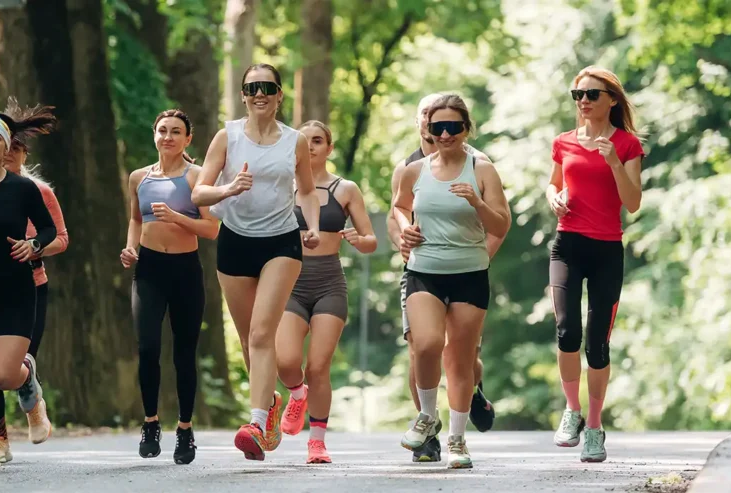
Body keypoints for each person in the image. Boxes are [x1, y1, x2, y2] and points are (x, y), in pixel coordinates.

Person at [192, 63, 321, 461]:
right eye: (252, 87)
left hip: (282, 242)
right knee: (250, 341)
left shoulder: (295, 141)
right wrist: (229, 188)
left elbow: (308, 191)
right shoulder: (227, 136)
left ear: (280, 94)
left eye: (267, 86)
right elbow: (199, 194)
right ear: (244, 94)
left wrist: (311, 226)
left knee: (263, 333)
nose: (259, 93)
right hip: (235, 243)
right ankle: (271, 408)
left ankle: (256, 421)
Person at [386, 93, 506, 462]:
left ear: (466, 129)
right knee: (425, 344)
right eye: (438, 127)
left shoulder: (482, 169)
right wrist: (405, 229)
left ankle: (457, 440)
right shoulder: (414, 170)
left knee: (459, 358)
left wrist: (477, 202)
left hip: (469, 273)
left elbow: (501, 224)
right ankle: (426, 416)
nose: (445, 133)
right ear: (428, 129)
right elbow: (399, 207)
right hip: (424, 271)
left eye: (453, 127)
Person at [547, 66, 643, 463]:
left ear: (612, 100)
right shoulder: (563, 142)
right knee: (567, 331)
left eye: (591, 94)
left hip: (607, 249)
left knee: (597, 342)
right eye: (578, 95)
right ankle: (573, 410)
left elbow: (633, 202)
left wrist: (614, 163)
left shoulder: (627, 144)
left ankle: (596, 426)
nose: (583, 101)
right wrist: (552, 196)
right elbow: (553, 182)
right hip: (567, 245)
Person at [120, 109, 218, 465]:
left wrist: (177, 217)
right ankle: (150, 423)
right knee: (147, 347)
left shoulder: (196, 178)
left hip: (185, 271)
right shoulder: (138, 178)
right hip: (148, 270)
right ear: (154, 135)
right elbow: (135, 219)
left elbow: (211, 229)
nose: (168, 137)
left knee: (183, 352)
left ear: (188, 139)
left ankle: (186, 428)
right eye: (162, 130)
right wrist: (131, 247)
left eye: (176, 132)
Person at [276, 120, 377, 464]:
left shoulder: (345, 188)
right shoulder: (282, 186)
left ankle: (316, 442)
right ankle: (296, 393)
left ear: (329, 148)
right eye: (305, 141)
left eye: (318, 141)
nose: (311, 147)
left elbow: (370, 240)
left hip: (329, 283)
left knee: (319, 366)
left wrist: (357, 239)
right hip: (289, 282)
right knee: (285, 360)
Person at [0, 111, 58, 471]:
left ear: (6, 147)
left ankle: (27, 381)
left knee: (3, 375)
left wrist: (33, 245)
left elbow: (48, 231)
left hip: (15, 292)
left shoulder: (22, 189)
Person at [0, 99, 68, 464]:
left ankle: (29, 391)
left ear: (21, 153)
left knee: (7, 368)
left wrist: (35, 248)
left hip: (30, 287)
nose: (9, 154)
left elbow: (61, 238)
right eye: (7, 146)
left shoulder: (39, 192)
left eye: (17, 148)